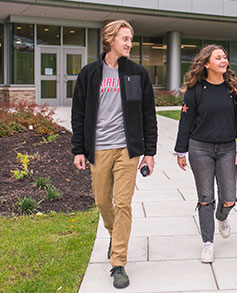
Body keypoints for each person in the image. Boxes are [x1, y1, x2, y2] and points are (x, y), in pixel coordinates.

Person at [71, 19, 157, 289]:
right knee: (102, 201)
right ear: (110, 40)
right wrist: (78, 149)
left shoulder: (137, 73)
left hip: (127, 149)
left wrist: (149, 152)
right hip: (98, 147)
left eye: (130, 38)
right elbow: (79, 114)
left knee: (123, 203)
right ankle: (114, 234)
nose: (129, 43)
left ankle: (118, 262)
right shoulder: (90, 74)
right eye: (125, 39)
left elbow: (147, 115)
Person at [174, 44, 237, 263]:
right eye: (218, 57)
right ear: (207, 63)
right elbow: (186, 121)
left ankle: (222, 217)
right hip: (200, 148)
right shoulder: (195, 90)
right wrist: (181, 150)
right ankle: (207, 243)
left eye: (225, 57)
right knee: (206, 197)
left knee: (228, 198)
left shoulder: (234, 89)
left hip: (228, 148)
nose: (223, 60)